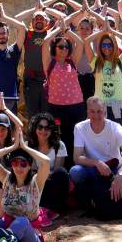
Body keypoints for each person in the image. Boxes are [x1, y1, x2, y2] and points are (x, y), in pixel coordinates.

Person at [69, 96, 122, 220]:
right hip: (93, 169)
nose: (96, 115)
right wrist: (97, 162)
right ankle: (90, 202)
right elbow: (77, 157)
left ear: (105, 112)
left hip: (114, 169)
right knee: (75, 172)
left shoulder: (115, 127)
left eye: (99, 111)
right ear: (87, 112)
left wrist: (121, 174)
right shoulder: (79, 127)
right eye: (92, 111)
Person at [41, 16, 86, 155]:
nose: (64, 49)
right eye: (61, 46)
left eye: (66, 47)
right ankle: (60, 165)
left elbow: (80, 42)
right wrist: (58, 29)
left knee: (76, 137)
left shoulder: (72, 62)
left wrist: (67, 30)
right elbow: (45, 41)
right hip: (56, 106)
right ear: (55, 48)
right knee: (57, 138)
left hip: (76, 105)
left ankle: (74, 163)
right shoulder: (50, 62)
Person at [84, 17, 122, 131]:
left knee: (118, 138)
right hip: (100, 108)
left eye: (110, 45)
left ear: (114, 46)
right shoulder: (96, 62)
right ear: (100, 47)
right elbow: (86, 42)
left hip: (118, 106)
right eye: (104, 45)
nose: (107, 48)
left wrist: (111, 31)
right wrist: (102, 31)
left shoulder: (120, 62)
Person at [26, 112, 69, 214]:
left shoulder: (59, 145)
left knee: (61, 173)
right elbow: (32, 169)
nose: (43, 131)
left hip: (52, 181)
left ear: (52, 129)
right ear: (35, 128)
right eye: (40, 127)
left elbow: (57, 170)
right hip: (37, 183)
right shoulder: (29, 145)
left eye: (47, 128)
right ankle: (41, 209)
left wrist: (44, 173)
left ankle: (56, 209)